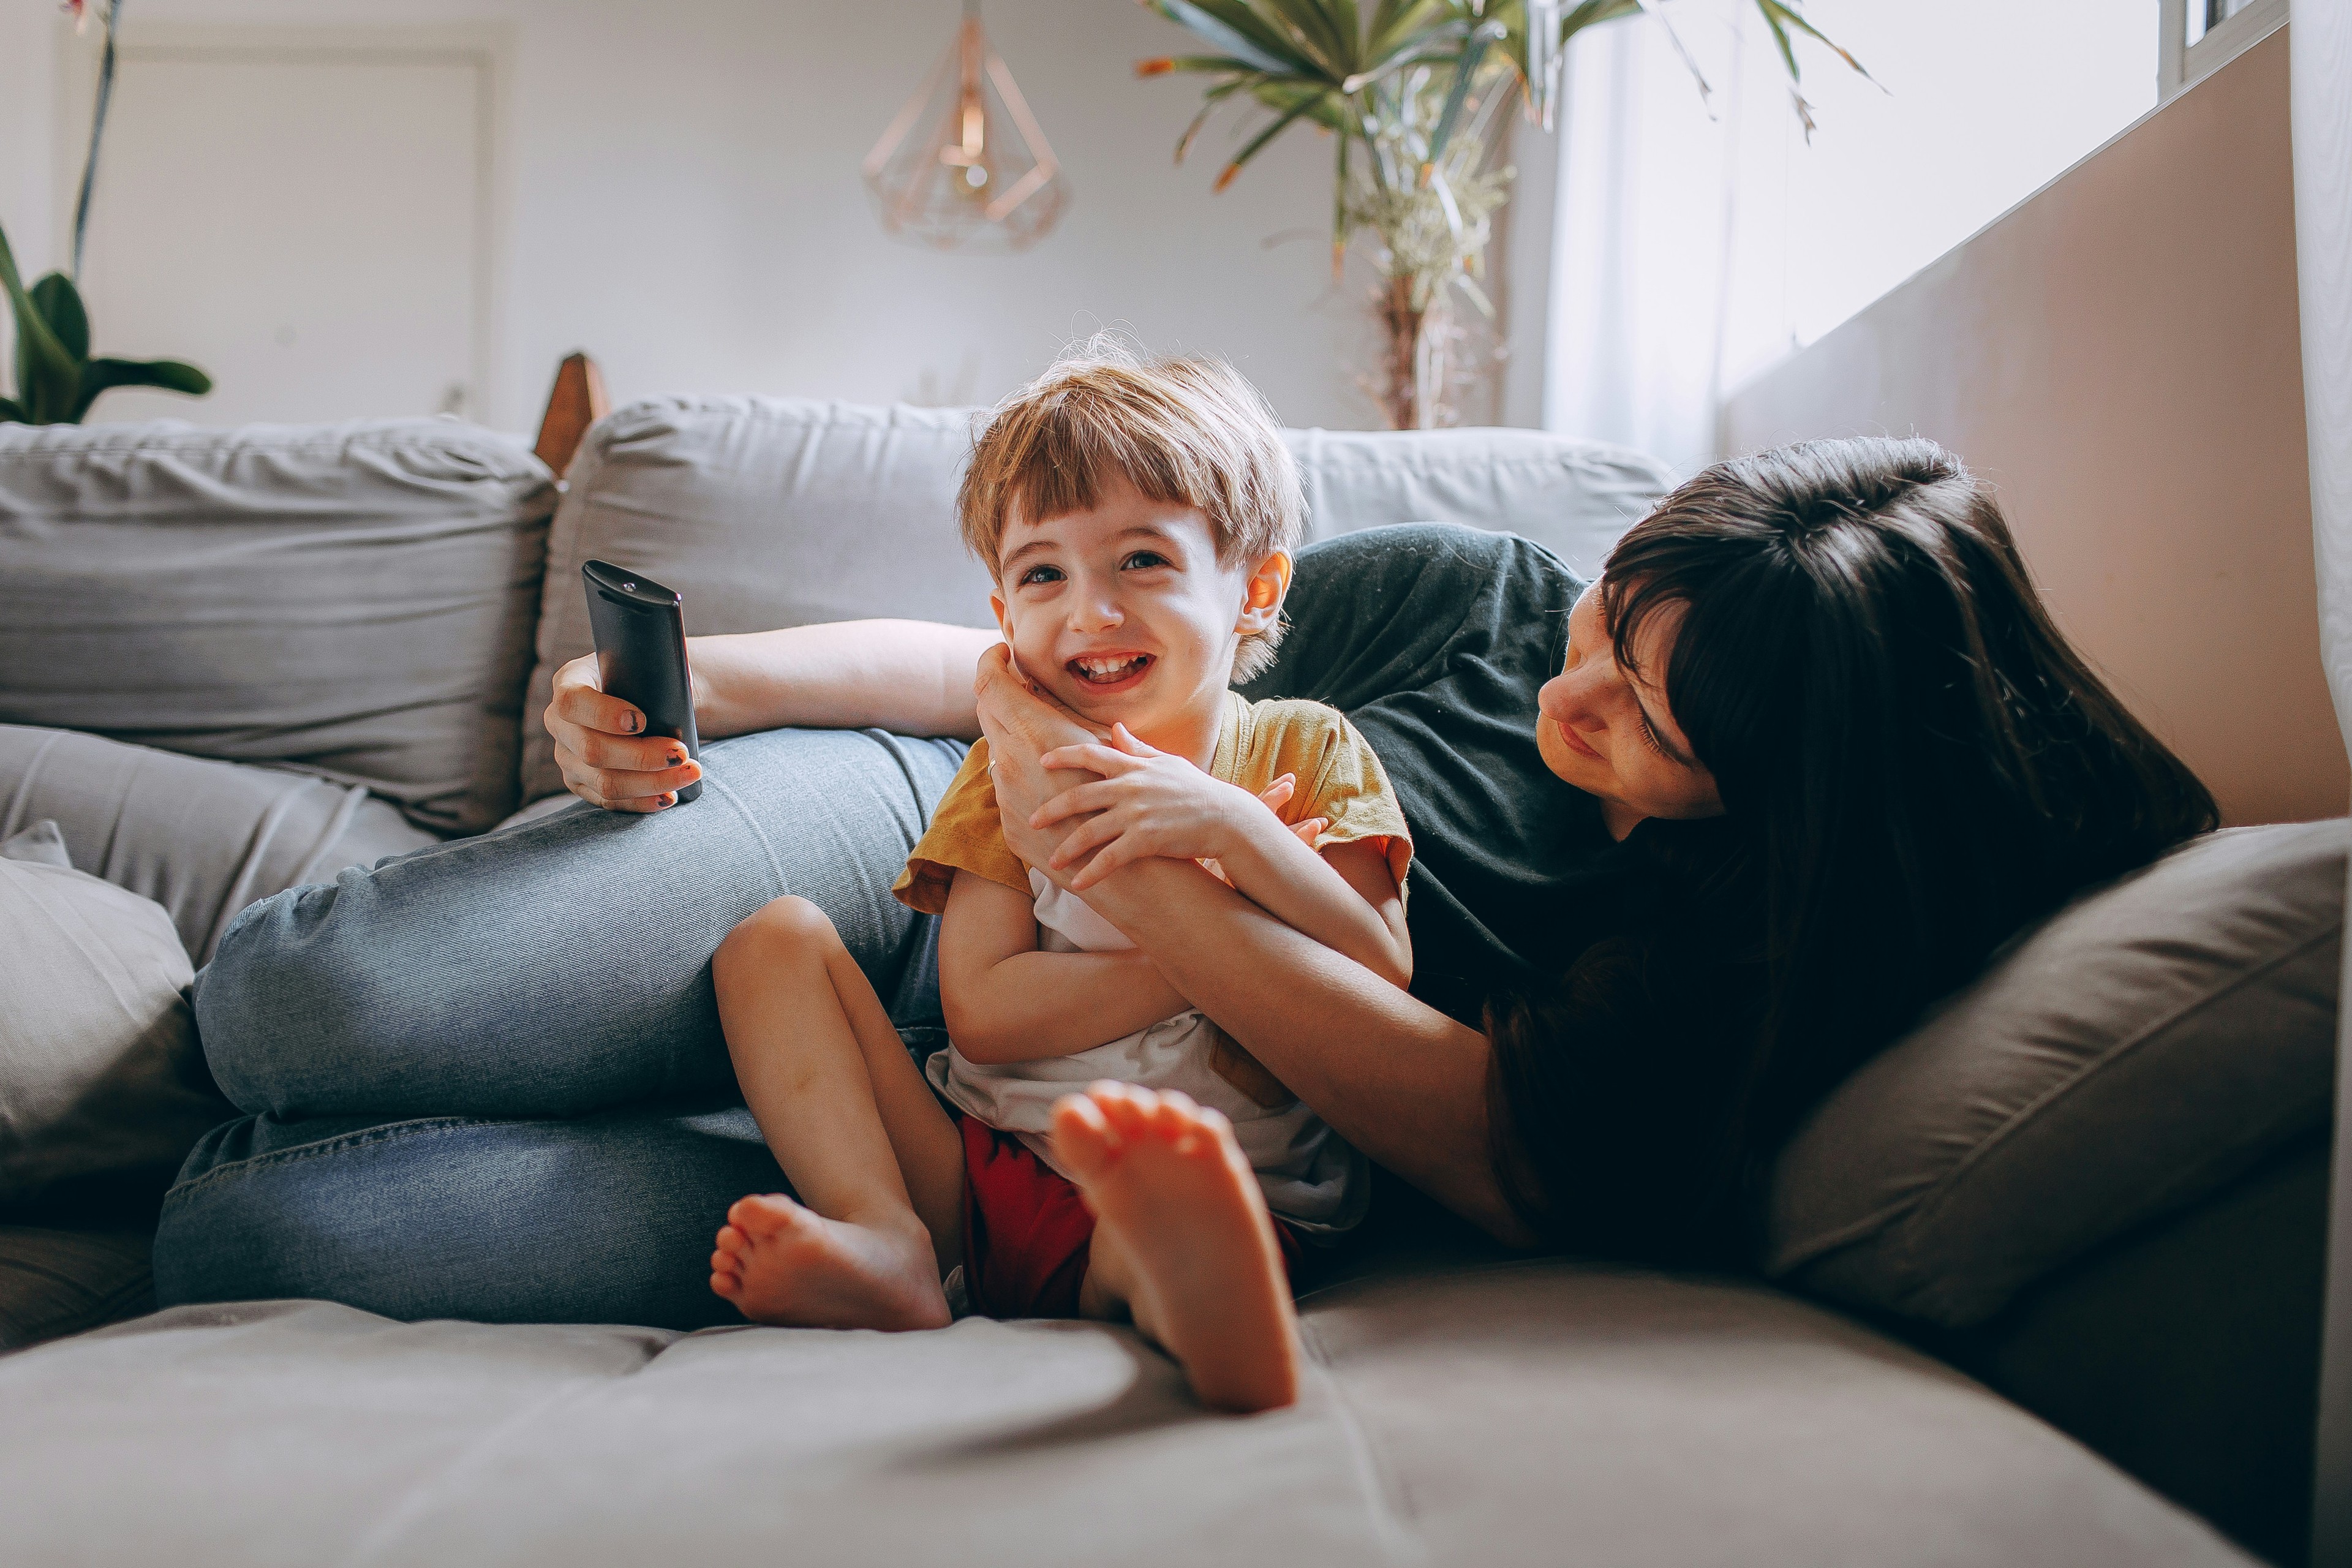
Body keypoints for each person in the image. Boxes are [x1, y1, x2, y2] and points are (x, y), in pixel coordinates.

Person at [164, 435, 2215, 1346]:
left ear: (1773, 797)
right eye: (1602, 625)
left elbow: (1503, 1153)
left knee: (239, 1219)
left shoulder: (1735, 953)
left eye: (1633, 715)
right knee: (290, 1018)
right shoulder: (1483, 609)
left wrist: (1168, 884)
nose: (1563, 694)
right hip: (927, 832)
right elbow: (1075, 650)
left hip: (1033, 1112)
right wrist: (685, 690)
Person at [701, 351, 1409, 1413]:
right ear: (1002, 613)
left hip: (1237, 1188)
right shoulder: (1014, 770)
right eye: (1044, 575)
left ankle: (1204, 1308)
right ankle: (889, 1243)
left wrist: (1235, 830)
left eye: (1140, 562)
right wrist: (1214, 942)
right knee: (773, 943)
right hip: (990, 1175)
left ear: (1254, 587)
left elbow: (1381, 969)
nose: (1091, 612)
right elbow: (982, 1014)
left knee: (1151, 1226)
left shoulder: (1303, 752)